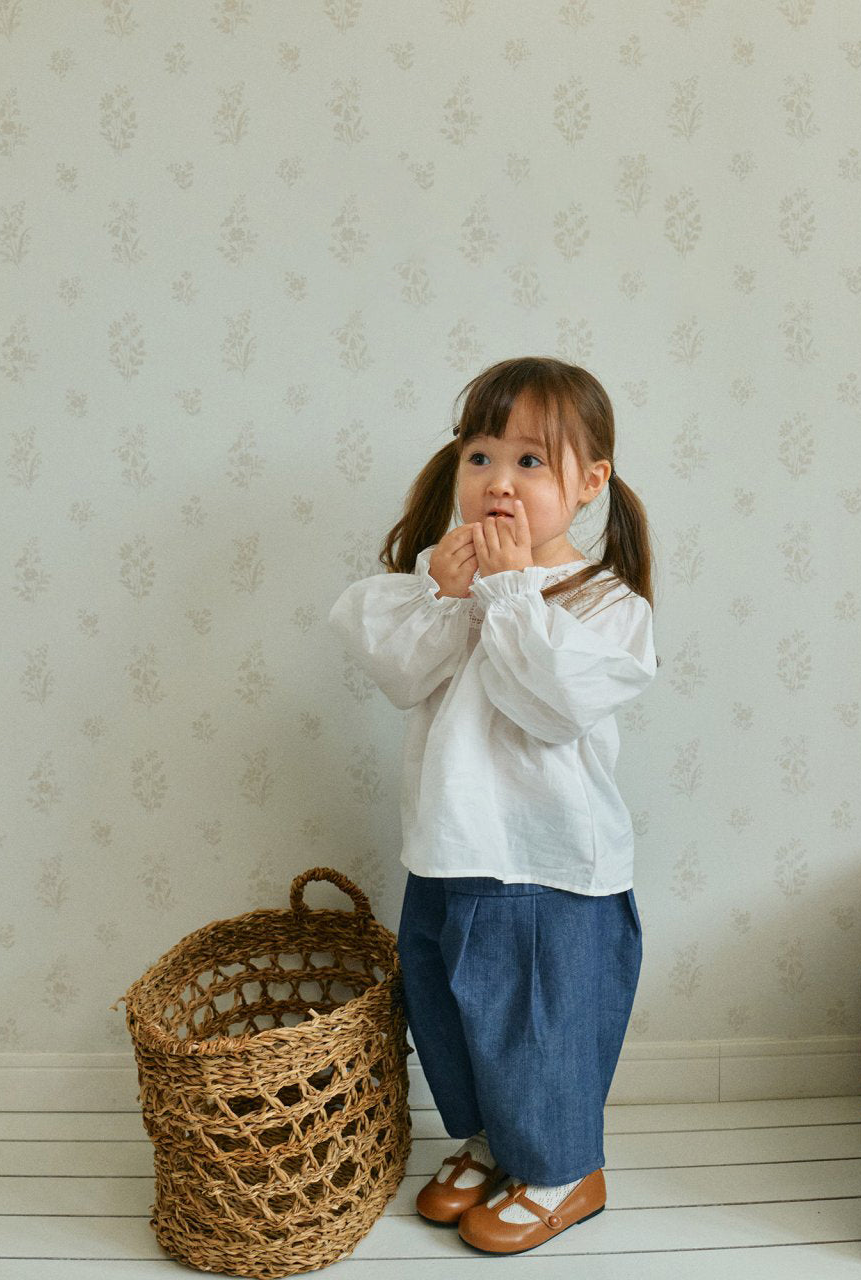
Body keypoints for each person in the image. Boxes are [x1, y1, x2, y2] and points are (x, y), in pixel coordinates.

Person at [328, 355, 659, 1255]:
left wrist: (512, 592)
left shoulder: (603, 604)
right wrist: (444, 588)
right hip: (448, 847)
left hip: (547, 864)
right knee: (451, 1006)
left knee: (536, 1018)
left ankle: (560, 1167)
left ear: (589, 484)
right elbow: (397, 670)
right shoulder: (458, 588)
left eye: (530, 462)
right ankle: (492, 1138)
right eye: (481, 457)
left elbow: (550, 706)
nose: (498, 483)